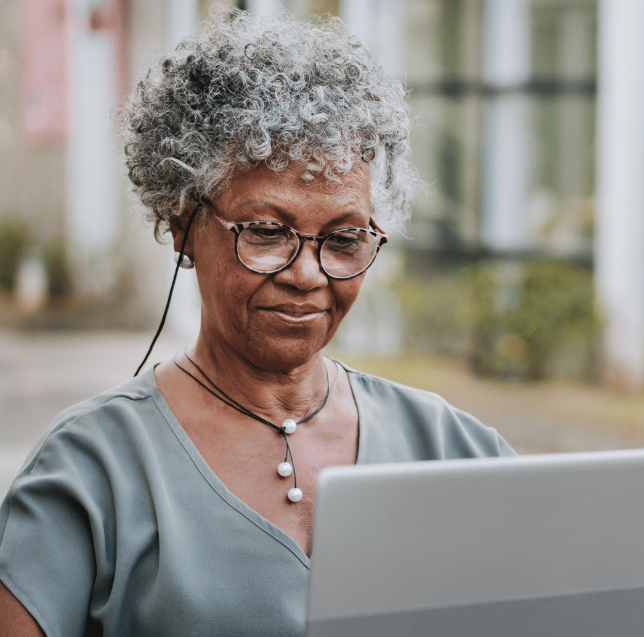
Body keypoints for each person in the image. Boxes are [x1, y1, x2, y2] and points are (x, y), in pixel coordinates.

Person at [0, 10, 514, 637]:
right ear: (185, 225)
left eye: (345, 238)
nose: (308, 274)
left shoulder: (451, 449)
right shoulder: (90, 472)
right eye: (268, 232)